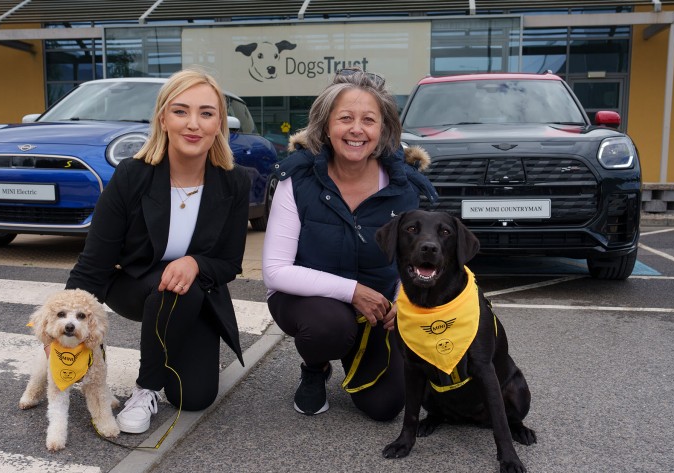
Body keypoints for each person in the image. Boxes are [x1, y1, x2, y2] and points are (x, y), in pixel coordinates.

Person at [66, 68, 252, 434]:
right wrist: (65, 327)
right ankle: (146, 388)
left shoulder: (234, 181)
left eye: (206, 113)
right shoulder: (132, 175)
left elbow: (229, 263)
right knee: (171, 286)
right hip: (134, 286)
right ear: (163, 118)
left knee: (194, 397)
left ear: (219, 124)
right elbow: (95, 261)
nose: (193, 124)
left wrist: (195, 261)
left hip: (194, 293)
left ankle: (169, 352)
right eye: (181, 111)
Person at [262, 68, 437, 421]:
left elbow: (416, 262)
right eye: (345, 118)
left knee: (385, 407)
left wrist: (405, 300)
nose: (357, 129)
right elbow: (276, 271)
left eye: (369, 120)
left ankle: (362, 355)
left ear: (384, 129)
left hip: (378, 306)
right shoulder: (295, 180)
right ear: (325, 126)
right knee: (329, 326)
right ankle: (315, 367)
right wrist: (353, 290)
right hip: (310, 305)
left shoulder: (405, 188)